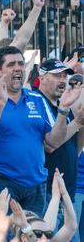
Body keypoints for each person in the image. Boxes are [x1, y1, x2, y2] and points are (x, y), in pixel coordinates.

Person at [0, 46, 74, 215]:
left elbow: (54, 142)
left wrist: (63, 109)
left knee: (34, 237)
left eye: (21, 64)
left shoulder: (37, 99)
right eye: (11, 64)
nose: (18, 68)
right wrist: (0, 103)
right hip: (1, 182)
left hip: (36, 184)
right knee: (5, 236)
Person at [36, 59, 83, 203]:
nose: (62, 80)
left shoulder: (63, 105)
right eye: (57, 76)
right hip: (48, 193)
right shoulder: (36, 102)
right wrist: (76, 123)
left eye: (64, 76)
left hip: (68, 192)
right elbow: (50, 145)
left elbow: (75, 149)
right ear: (42, 78)